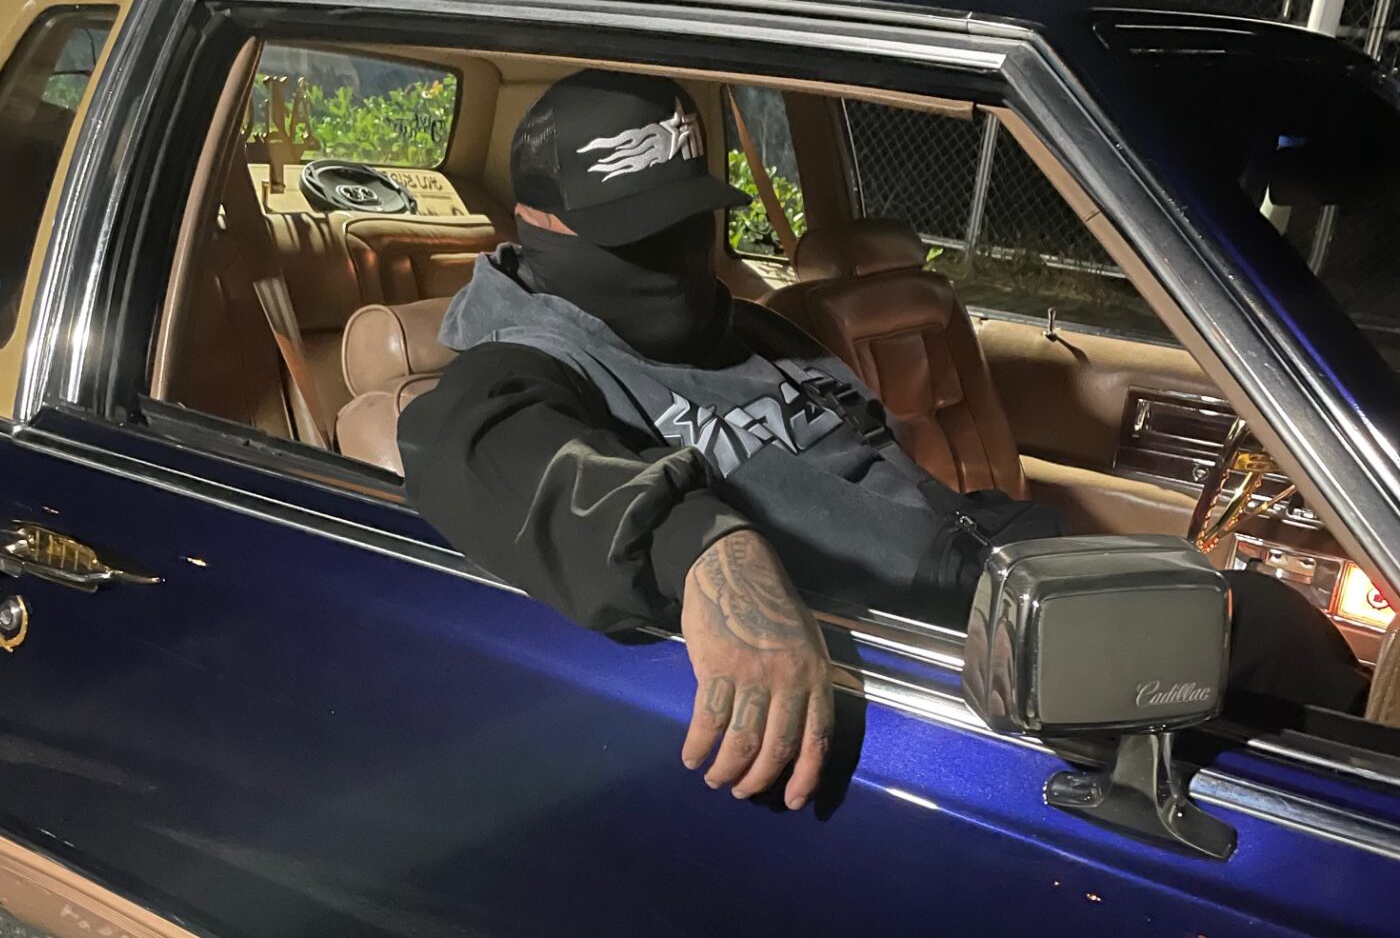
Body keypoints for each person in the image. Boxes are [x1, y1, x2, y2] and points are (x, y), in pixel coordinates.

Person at [399, 71, 1367, 812]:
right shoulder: (528, 363)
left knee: (1276, 626)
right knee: (1273, 646)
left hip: (991, 570)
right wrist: (705, 546)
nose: (674, 260)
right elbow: (471, 442)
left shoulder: (747, 329)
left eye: (685, 224)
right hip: (939, 649)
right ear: (536, 222)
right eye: (634, 236)